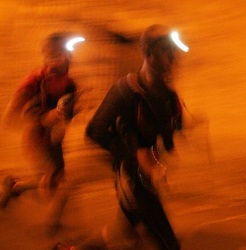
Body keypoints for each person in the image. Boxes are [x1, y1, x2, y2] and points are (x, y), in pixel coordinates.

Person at [61, 24, 187, 250]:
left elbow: (167, 137)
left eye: (174, 53)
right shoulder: (125, 90)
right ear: (148, 55)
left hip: (147, 180)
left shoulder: (168, 95)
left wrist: (175, 134)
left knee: (121, 237)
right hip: (130, 179)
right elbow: (94, 131)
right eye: (166, 52)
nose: (173, 58)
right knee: (169, 244)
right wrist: (135, 155)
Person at [0, 32, 81, 227]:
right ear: (51, 54)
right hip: (37, 137)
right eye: (63, 52)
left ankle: (15, 187)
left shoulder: (69, 83)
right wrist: (44, 118)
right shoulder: (36, 80)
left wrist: (71, 111)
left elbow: (67, 114)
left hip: (54, 139)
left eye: (68, 53)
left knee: (55, 182)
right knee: (58, 182)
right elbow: (12, 114)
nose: (68, 57)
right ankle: (52, 226)